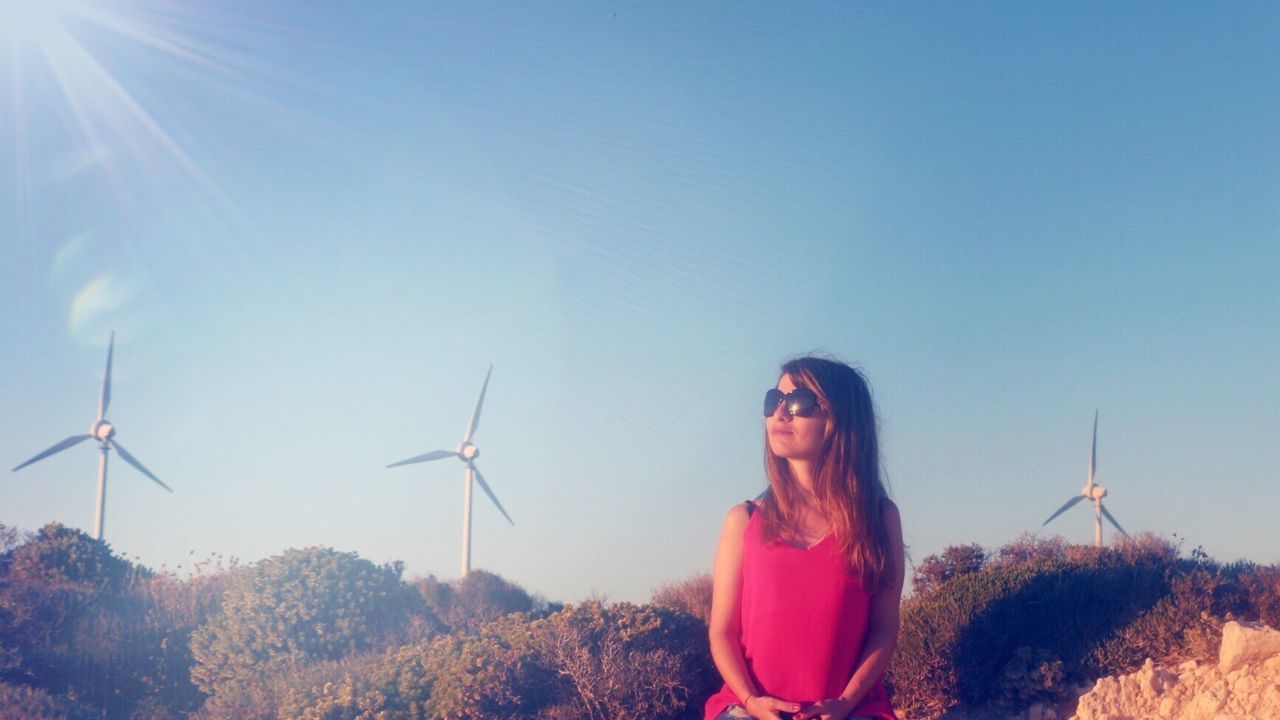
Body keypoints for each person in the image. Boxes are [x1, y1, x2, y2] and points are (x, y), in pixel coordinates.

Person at [705, 356, 904, 720]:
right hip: (748, 709)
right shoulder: (743, 521)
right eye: (773, 400)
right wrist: (751, 702)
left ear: (840, 418)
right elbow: (722, 632)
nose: (780, 414)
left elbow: (884, 629)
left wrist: (846, 702)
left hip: (852, 709)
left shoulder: (879, 518)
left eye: (799, 402)